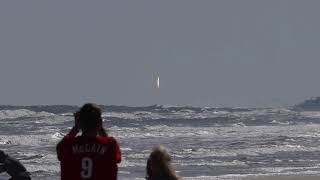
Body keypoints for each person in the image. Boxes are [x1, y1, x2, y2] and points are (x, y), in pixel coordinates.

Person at [56, 103, 121, 180]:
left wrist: (76, 128)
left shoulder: (67, 145)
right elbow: (116, 159)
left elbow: (61, 150)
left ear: (79, 122)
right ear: (100, 123)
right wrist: (101, 129)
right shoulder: (110, 144)